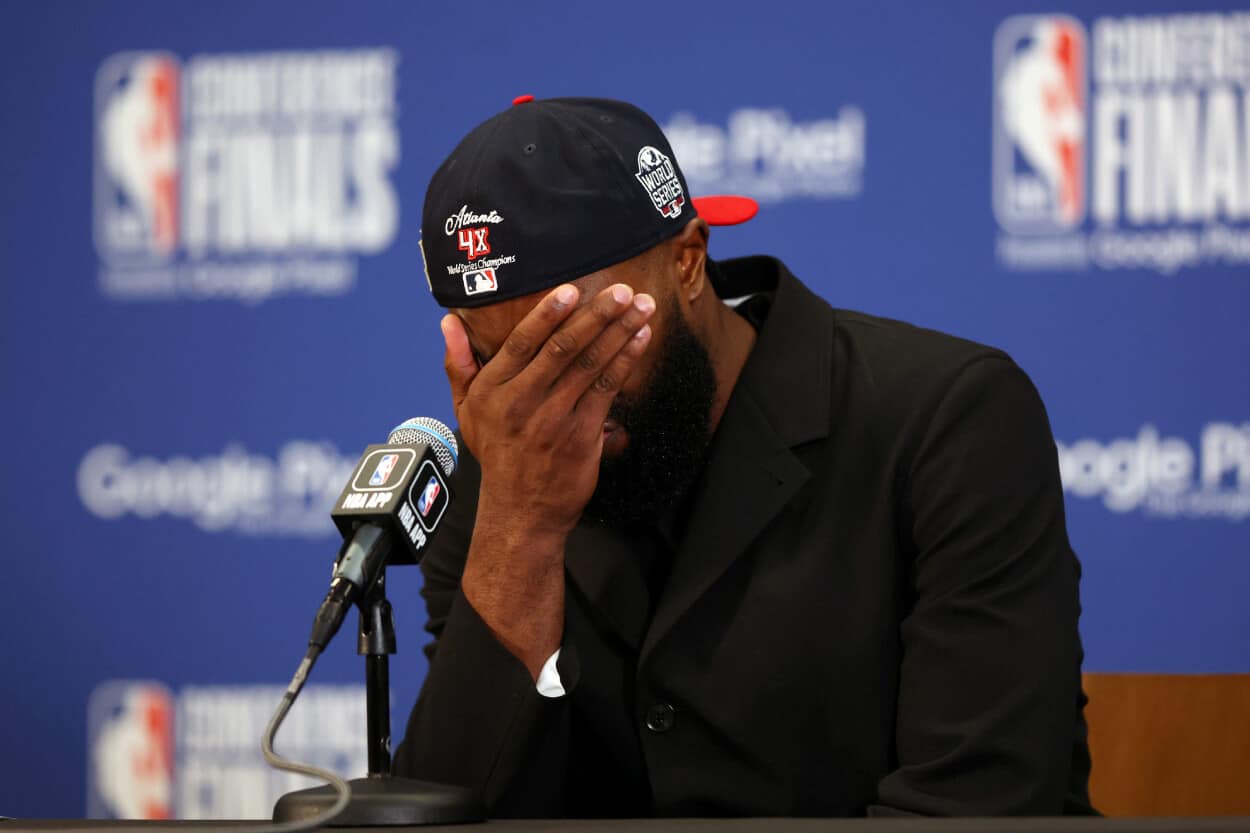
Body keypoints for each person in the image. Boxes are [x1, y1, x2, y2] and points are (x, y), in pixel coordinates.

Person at [393, 96, 1093, 818]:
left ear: (688, 262)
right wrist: (522, 528)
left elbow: (974, 806)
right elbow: (456, 810)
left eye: (576, 347)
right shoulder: (505, 472)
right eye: (500, 358)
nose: (544, 403)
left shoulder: (947, 421)